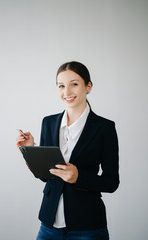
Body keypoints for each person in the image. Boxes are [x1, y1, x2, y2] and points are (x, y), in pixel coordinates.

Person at [16, 61, 119, 240]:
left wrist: (78, 177)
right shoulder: (48, 123)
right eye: (61, 86)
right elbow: (47, 176)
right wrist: (30, 151)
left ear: (88, 86)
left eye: (74, 84)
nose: (66, 92)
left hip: (88, 226)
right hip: (49, 225)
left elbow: (111, 182)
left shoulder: (105, 128)